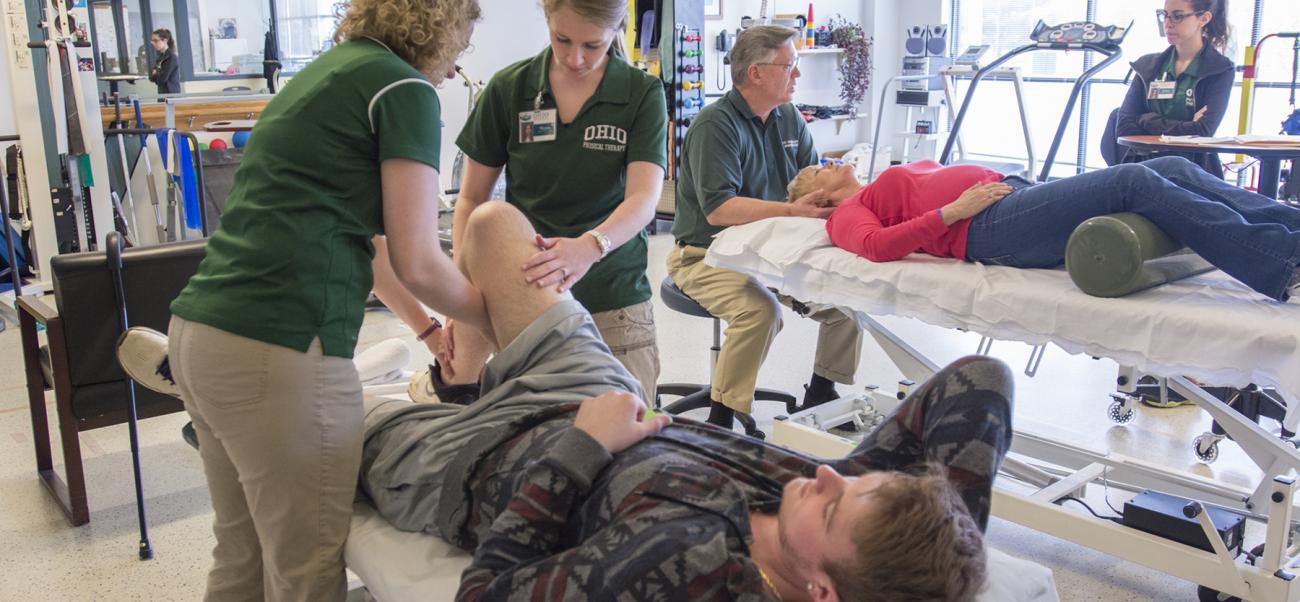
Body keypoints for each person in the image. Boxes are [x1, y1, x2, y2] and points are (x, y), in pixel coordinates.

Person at [360, 201, 1009, 601]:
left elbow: (484, 596)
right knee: (494, 226)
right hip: (590, 388)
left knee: (316, 414)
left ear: (821, 592)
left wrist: (582, 449)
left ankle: (450, 394)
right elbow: (976, 382)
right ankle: (461, 372)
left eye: (837, 504)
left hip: (477, 463)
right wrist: (944, 553)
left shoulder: (689, 567)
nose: (828, 475)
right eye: (853, 484)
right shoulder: (854, 533)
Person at [160, 0, 488, 599]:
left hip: (203, 335)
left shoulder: (326, 74)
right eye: (462, 47)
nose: (455, 66)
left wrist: (429, 332)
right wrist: (502, 317)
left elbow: (367, 243)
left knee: (244, 553)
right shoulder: (403, 89)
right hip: (279, 348)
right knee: (305, 568)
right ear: (443, 30)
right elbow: (419, 259)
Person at [397, 0, 668, 406]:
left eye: (593, 46)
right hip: (522, 290)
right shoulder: (511, 88)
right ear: (547, 18)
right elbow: (471, 198)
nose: (576, 58)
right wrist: (457, 289)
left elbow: (644, 199)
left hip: (612, 292)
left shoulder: (641, 93)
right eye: (562, 39)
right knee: (493, 413)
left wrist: (589, 247)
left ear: (616, 30)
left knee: (633, 432)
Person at [669, 24, 864, 430]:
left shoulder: (788, 118)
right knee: (760, 311)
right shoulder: (715, 126)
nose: (797, 74)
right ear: (755, 73)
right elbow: (719, 209)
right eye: (789, 65)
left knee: (845, 304)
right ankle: (721, 417)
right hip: (705, 255)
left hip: (771, 251)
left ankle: (821, 391)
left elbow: (812, 180)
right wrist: (793, 211)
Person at [790, 155, 1300, 303]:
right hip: (987, 229)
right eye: (821, 168)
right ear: (816, 194)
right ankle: (1280, 264)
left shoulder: (877, 180)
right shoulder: (844, 214)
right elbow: (877, 247)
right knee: (1132, 179)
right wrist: (953, 211)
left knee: (1167, 167)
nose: (832, 161)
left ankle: (1292, 229)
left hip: (1011, 196)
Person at [1111, 0, 1234, 177]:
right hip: (1143, 168)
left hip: (1193, 172)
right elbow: (1124, 127)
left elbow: (1203, 132)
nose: (1168, 24)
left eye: (1178, 16)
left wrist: (1146, 120)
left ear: (1204, 18)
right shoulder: (1147, 66)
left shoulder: (1220, 69)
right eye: (1164, 15)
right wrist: (1186, 126)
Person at [148, 28, 181, 95]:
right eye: (152, 41)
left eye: (156, 41)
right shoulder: (160, 57)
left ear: (165, 41)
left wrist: (156, 73)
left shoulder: (171, 57)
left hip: (171, 94)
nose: (153, 43)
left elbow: (162, 80)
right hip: (162, 93)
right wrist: (157, 74)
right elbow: (151, 77)